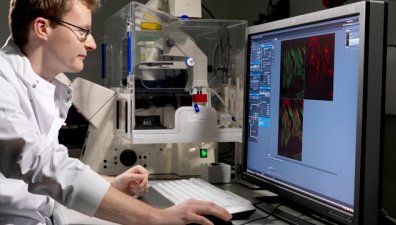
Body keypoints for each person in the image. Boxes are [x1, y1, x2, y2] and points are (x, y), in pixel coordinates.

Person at [0, 0, 232, 224]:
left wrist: (111, 184)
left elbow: (51, 170)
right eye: (82, 30)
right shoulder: (3, 84)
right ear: (42, 28)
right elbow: (44, 167)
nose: (91, 43)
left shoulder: (44, 84)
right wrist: (158, 218)